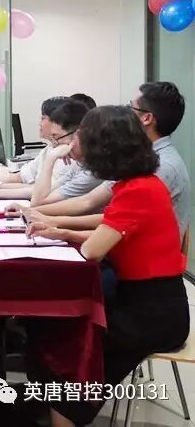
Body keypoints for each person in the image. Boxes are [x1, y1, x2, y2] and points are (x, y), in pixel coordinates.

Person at [26, 106, 189, 427]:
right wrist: (59, 230)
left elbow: (93, 249)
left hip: (152, 314)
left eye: (83, 139)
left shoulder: (138, 190)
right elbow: (109, 227)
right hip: (148, 303)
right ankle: (46, 407)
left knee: (69, 344)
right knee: (54, 326)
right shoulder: (138, 184)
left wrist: (61, 230)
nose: (76, 145)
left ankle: (63, 414)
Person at [15, 82, 191, 238]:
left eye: (131, 108)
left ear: (147, 118)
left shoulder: (162, 166)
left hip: (143, 255)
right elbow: (89, 200)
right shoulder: (140, 157)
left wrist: (52, 221)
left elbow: (117, 219)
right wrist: (30, 211)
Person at [0, 100, 88, 201]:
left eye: (43, 118)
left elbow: (40, 199)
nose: (39, 123)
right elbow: (32, 188)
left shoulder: (74, 163)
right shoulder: (54, 150)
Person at [0, 96, 69, 192]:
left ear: (57, 122)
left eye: (43, 118)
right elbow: (20, 177)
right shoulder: (49, 148)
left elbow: (40, 190)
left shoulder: (67, 157)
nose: (40, 123)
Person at [28, 100, 97, 206]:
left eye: (57, 137)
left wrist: (50, 158)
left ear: (78, 135)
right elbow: (45, 193)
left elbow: (38, 203)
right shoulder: (80, 165)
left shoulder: (93, 172)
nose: (54, 145)